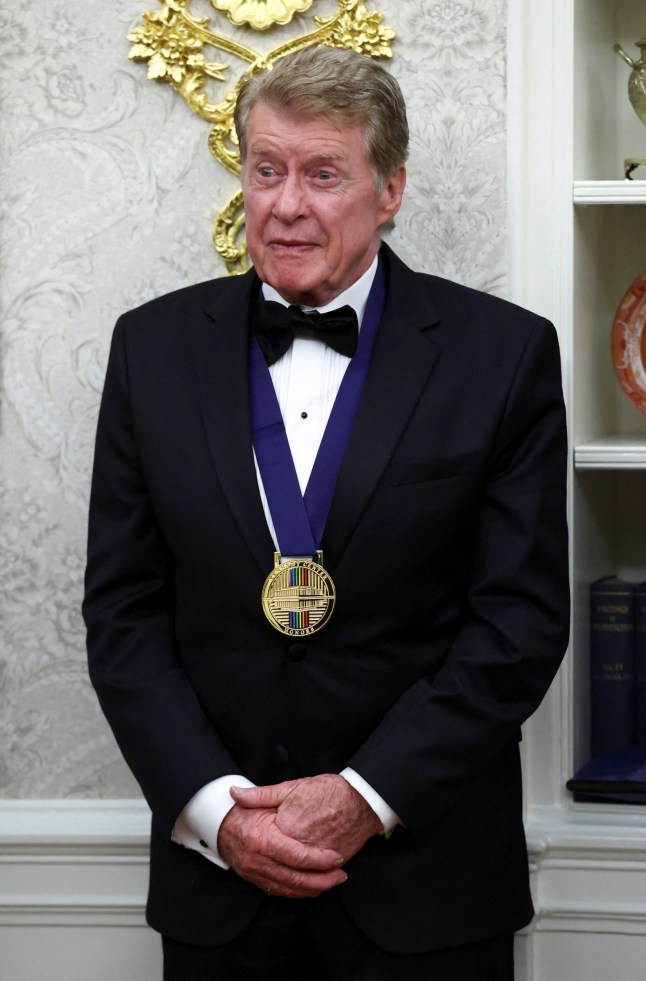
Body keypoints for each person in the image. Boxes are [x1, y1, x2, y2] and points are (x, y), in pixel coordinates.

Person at [83, 45, 569, 981]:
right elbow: (124, 614)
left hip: (428, 890)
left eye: (322, 174)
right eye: (266, 170)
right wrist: (216, 812)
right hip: (218, 893)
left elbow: (518, 623)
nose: (287, 203)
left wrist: (366, 795)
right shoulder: (151, 350)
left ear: (389, 190)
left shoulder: (501, 355)